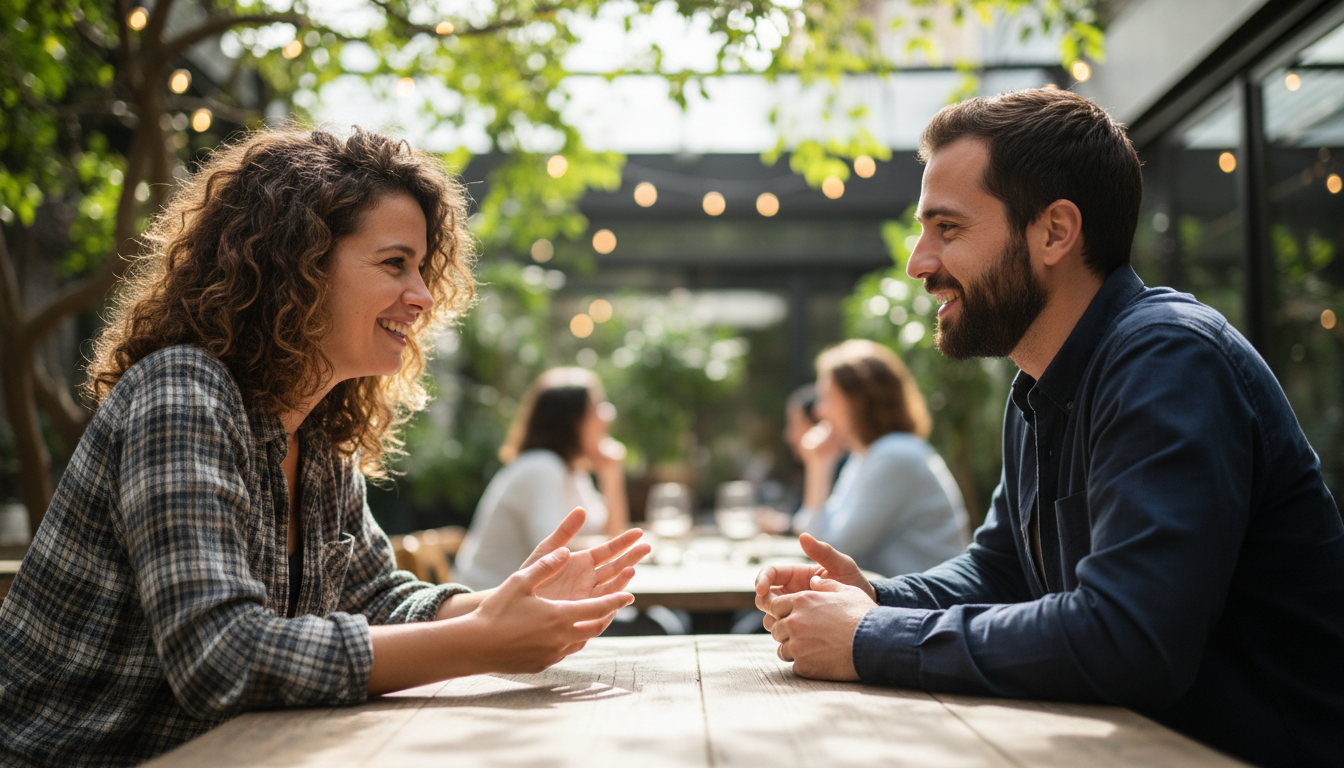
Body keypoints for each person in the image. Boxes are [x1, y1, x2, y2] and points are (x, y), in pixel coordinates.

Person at [0, 128, 648, 768]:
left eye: (422, 268)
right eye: (395, 263)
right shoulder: (181, 394)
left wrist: (506, 603)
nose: (422, 297)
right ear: (298, 266)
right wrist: (480, 643)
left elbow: (377, 599)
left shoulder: (317, 438)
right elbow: (218, 657)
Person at [755, 88, 1344, 768]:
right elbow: (1002, 568)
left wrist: (872, 637)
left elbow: (1131, 637)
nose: (919, 263)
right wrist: (874, 596)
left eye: (947, 229)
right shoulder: (1038, 388)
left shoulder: (1169, 360)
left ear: (1055, 232)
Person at [792, 340, 968, 577]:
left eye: (828, 397)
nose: (819, 411)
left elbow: (829, 553)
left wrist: (817, 466)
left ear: (859, 401)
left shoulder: (894, 456)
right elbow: (812, 531)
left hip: (928, 607)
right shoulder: (867, 455)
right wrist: (820, 464)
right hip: (903, 600)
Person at [455, 367, 631, 590]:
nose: (608, 417)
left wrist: (611, 476)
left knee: (664, 621)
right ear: (571, 421)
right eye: (597, 408)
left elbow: (612, 534)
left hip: (536, 603)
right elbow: (555, 556)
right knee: (662, 624)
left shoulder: (572, 472)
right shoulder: (541, 468)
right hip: (493, 608)